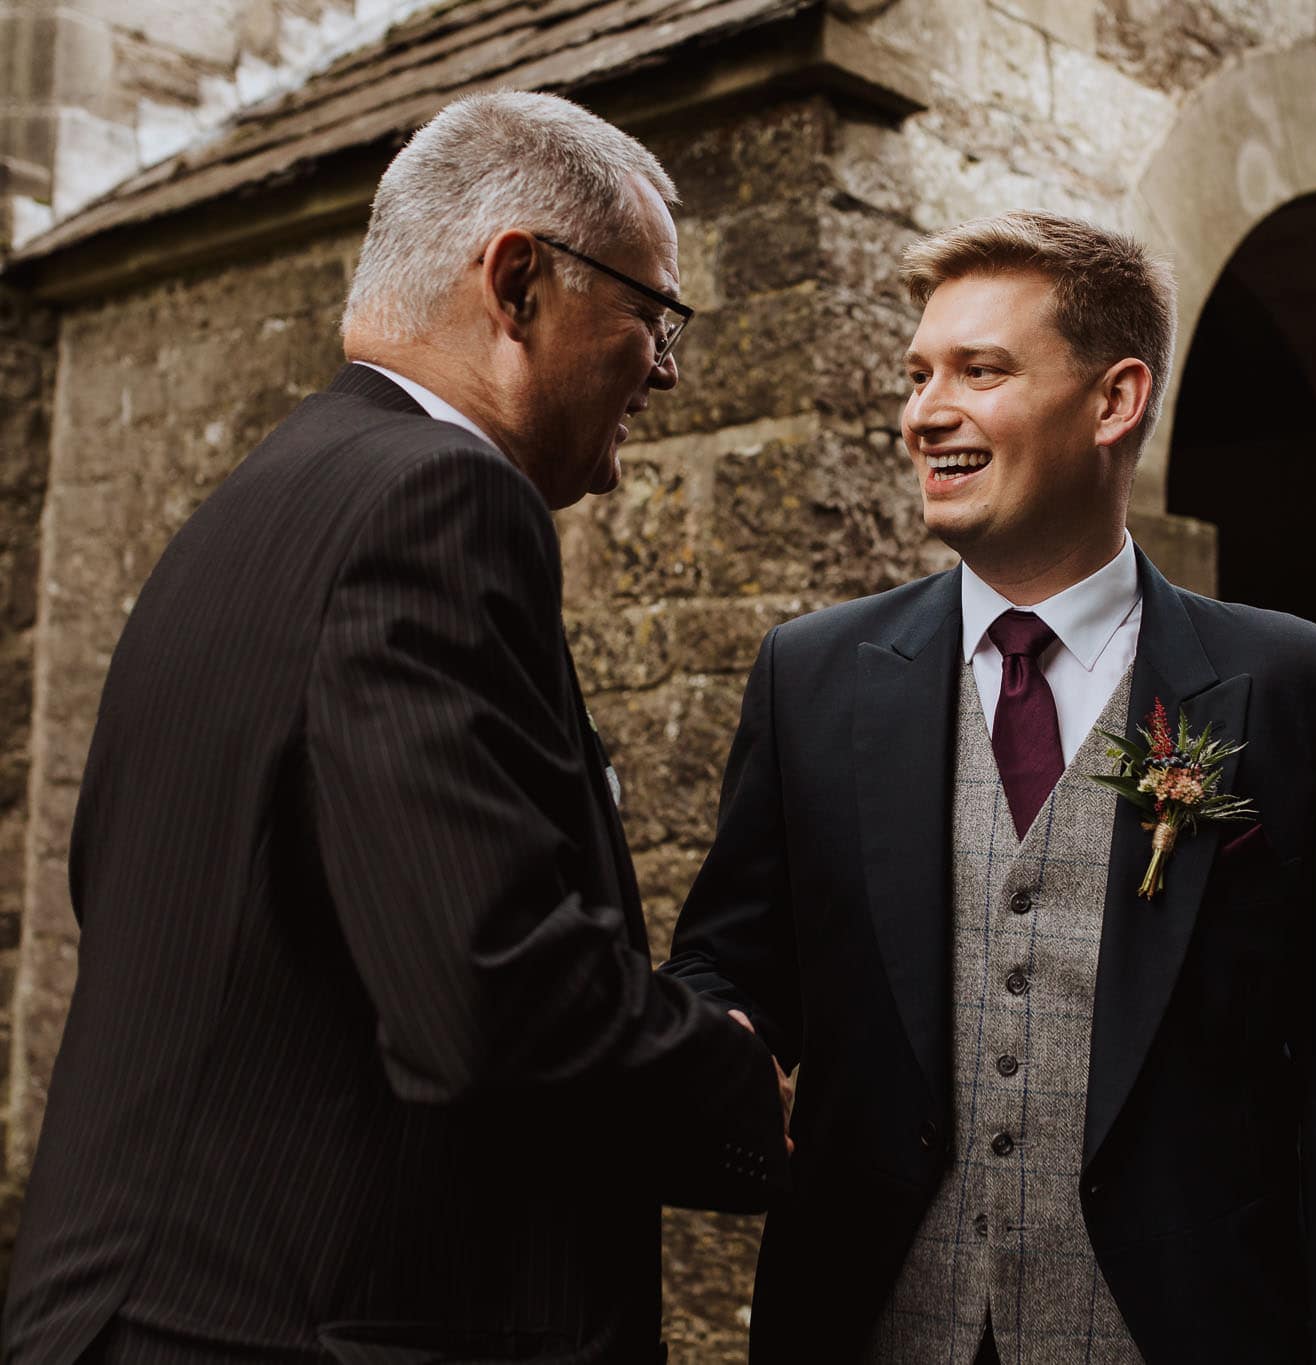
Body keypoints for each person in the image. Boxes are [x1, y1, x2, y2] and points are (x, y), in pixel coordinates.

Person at [4, 91, 790, 1364]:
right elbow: (486, 987)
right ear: (518, 282)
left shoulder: (254, 507)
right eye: (651, 313)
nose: (665, 366)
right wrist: (734, 1083)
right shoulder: (439, 497)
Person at [667, 210, 1316, 1363]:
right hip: (874, 1323)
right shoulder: (811, 676)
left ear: (1115, 399)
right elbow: (732, 960)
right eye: (918, 374)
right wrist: (705, 1036)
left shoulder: (1307, 694)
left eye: (981, 371)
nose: (925, 411)